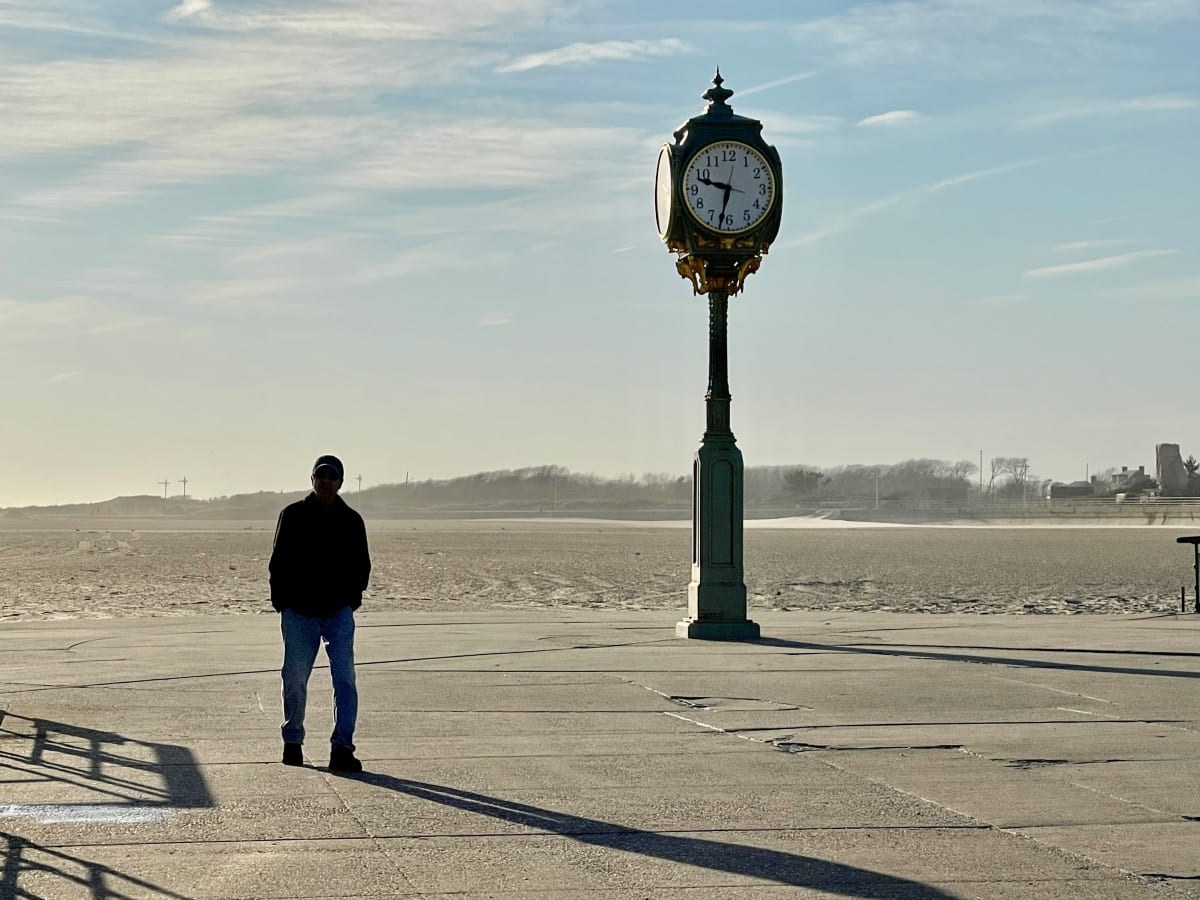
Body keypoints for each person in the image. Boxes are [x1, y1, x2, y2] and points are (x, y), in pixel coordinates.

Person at [269, 454, 371, 773]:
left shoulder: (351, 520)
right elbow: (278, 562)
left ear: (340, 482)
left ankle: (342, 748)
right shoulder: (293, 515)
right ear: (311, 479)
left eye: (332, 476)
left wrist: (350, 600)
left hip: (338, 612)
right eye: (320, 475)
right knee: (295, 678)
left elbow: (362, 565)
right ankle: (293, 742)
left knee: (344, 680)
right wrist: (282, 602)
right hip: (299, 612)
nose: (326, 481)